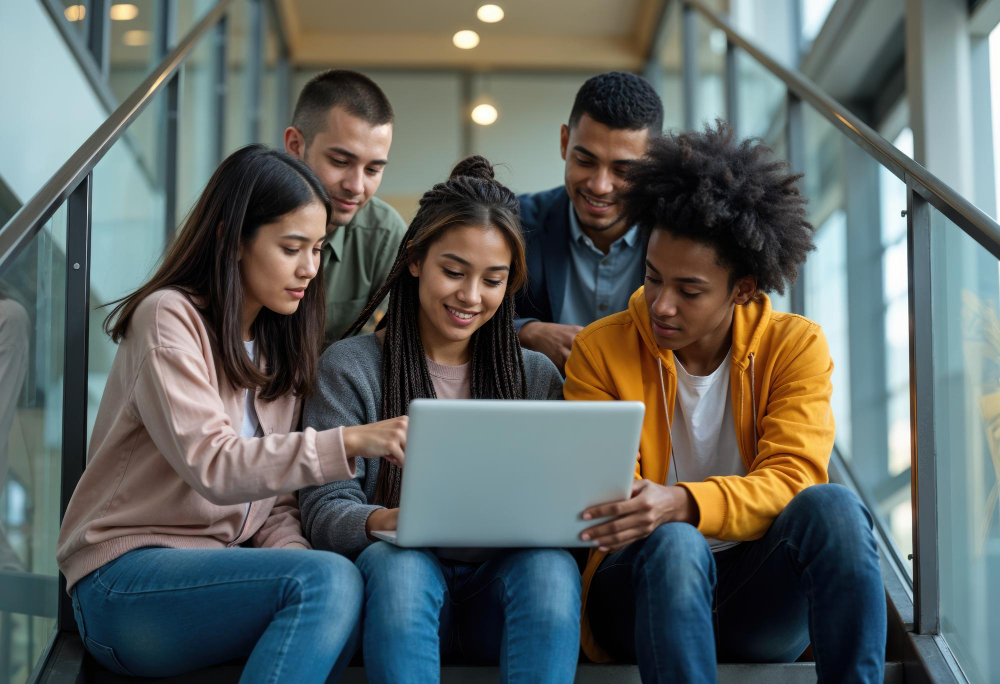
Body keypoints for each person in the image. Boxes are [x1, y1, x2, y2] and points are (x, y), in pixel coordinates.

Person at [56, 145, 408, 683]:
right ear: (231, 238)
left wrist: (305, 559)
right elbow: (215, 466)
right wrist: (351, 442)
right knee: (326, 583)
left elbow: (276, 506)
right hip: (122, 581)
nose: (311, 268)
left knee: (342, 583)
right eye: (292, 247)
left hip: (216, 575)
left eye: (317, 248)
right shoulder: (169, 318)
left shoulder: (275, 344)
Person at [565, 122, 886, 683]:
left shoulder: (794, 346)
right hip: (639, 590)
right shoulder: (600, 349)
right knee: (674, 544)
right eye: (652, 278)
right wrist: (667, 517)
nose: (661, 305)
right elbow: (605, 507)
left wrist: (682, 502)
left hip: (752, 593)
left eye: (689, 291)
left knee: (834, 507)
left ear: (743, 289)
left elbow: (795, 478)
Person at [299, 156, 580, 684]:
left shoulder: (536, 377)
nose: (471, 297)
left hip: (500, 594)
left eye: (493, 280)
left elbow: (561, 507)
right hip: (399, 589)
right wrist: (387, 521)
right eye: (453, 272)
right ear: (414, 260)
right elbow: (321, 512)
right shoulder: (350, 367)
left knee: (551, 569)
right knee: (400, 566)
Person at [515, 71, 663, 372]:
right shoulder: (513, 224)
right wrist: (525, 332)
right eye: (585, 161)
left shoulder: (677, 235)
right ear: (564, 142)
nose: (599, 185)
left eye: (623, 171)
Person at [285, 69, 408, 345]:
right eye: (341, 161)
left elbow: (396, 343)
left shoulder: (384, 233)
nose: (357, 186)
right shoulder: (245, 217)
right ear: (295, 145)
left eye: (373, 169)